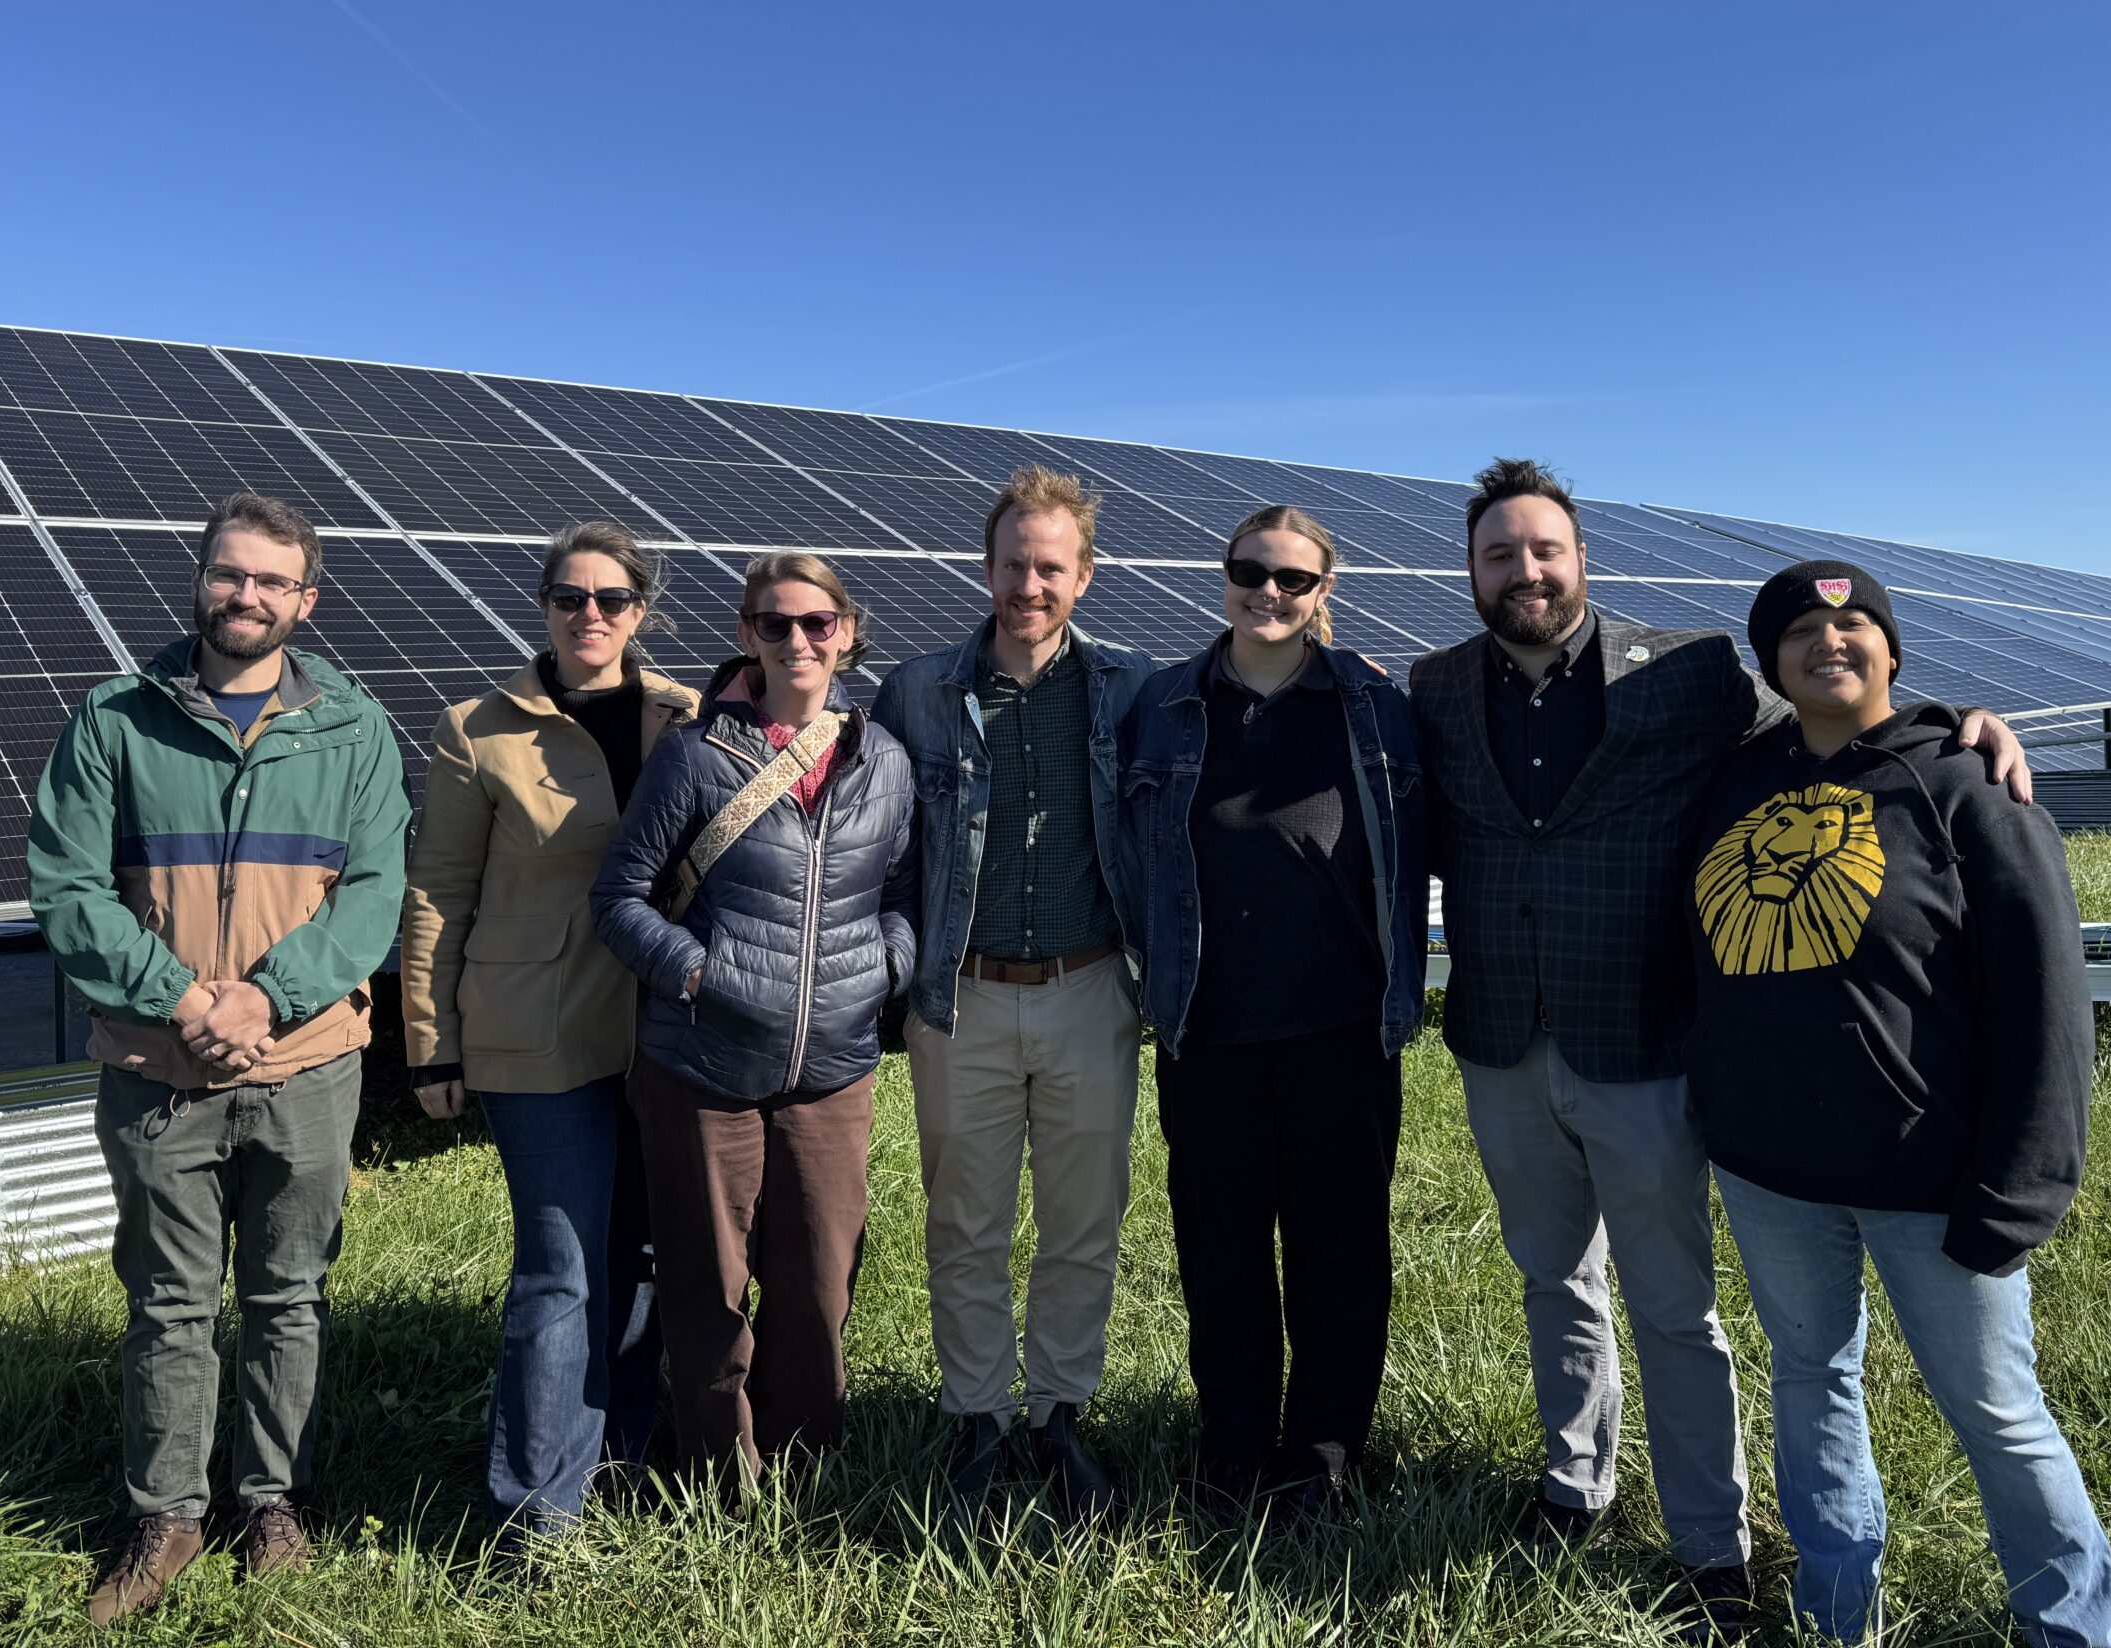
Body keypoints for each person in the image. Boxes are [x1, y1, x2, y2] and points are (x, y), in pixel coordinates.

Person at [1407, 458, 2032, 1640]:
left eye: (1543, 550)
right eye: (1499, 554)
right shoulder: (1432, 686)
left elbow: (1834, 717)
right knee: (1552, 1280)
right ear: (1471, 571)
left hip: (1641, 1042)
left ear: (1580, 559)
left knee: (1671, 1306)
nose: (1523, 571)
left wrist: (1953, 720)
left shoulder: (1687, 671)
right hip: (1498, 1038)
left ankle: (1710, 1538)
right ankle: (1575, 1481)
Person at [1686, 561, 2111, 1647]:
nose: (1829, 643)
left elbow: (2045, 996)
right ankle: (1839, 1616)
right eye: (1800, 631)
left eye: (1853, 624)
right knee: (1810, 1385)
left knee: (2000, 1418)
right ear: (1769, 662)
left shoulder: (1965, 781)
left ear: (1890, 647)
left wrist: (2021, 1185)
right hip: (1767, 1171)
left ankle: (2075, 1630)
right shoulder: (1735, 780)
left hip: (1930, 1178)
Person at [28, 493, 409, 1627]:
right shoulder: (114, 721)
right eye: (228, 575)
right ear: (201, 580)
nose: (246, 597)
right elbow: (67, 888)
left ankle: (269, 1499)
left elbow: (376, 895)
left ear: (306, 600)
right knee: (167, 1303)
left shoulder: (352, 728)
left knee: (290, 1295)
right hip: (159, 1066)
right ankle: (166, 1516)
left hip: (308, 1066)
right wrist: (185, 998)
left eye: (271, 582)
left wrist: (266, 997)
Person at [1117, 506, 1427, 1522]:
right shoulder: (1164, 704)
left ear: (1324, 591)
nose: (1271, 592)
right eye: (1252, 571)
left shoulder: (1374, 705)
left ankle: (1325, 1455)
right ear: (1224, 575)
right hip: (1206, 1032)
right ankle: (1234, 1449)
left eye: (1295, 579)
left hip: (1340, 1028)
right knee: (1221, 1256)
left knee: (1341, 1255)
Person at [399, 522, 700, 1537]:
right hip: (535, 1031)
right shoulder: (477, 731)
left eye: (612, 599)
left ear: (641, 611)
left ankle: (619, 1455)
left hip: (662, 1028)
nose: (591, 617)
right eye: (570, 598)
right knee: (562, 1265)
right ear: (542, 607)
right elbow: (438, 890)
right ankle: (534, 1508)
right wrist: (431, 1040)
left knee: (647, 1256)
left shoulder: (688, 718)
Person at [868, 466, 1156, 1530]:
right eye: (1011, 565)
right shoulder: (919, 692)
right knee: (965, 1220)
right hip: (963, 996)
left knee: (1085, 1219)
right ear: (984, 570)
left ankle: (1062, 1414)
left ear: (1082, 574)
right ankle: (978, 1416)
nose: (1027, 585)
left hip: (1091, 990)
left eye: (1049, 567)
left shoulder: (1134, 691)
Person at [589, 550, 915, 1481]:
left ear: (847, 632)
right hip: (702, 1066)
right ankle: (718, 1477)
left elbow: (906, 888)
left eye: (818, 623)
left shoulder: (881, 760)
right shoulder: (696, 756)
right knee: (707, 1287)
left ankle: (804, 1465)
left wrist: (885, 969)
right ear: (746, 637)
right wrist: (694, 974)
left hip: (836, 1067)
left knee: (819, 1282)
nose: (799, 640)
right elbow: (618, 898)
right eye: (776, 624)